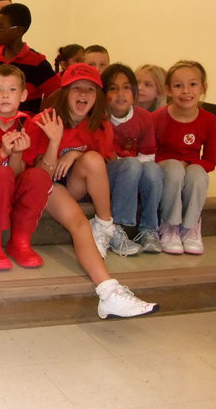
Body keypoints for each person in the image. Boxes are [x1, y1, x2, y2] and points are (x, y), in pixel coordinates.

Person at [23, 64, 159, 319]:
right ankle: (109, 291)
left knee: (94, 159)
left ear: (97, 96)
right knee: (79, 224)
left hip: (73, 184)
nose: (82, 95)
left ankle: (105, 224)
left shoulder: (98, 124)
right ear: (65, 92)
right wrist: (54, 141)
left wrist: (76, 153)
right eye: (76, 88)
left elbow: (103, 164)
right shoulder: (44, 121)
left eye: (89, 89)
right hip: (44, 185)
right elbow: (38, 176)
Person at [0, 65, 53, 269]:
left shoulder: (29, 124)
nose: (5, 95)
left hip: (8, 186)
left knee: (39, 177)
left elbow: (17, 174)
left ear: (24, 95)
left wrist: (16, 154)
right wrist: (2, 153)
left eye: (12, 90)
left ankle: (20, 242)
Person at [154, 60, 216, 254]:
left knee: (198, 173)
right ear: (168, 90)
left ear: (203, 88)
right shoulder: (157, 118)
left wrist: (189, 164)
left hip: (191, 168)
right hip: (165, 167)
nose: (185, 91)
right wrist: (174, 164)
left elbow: (210, 160)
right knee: (173, 168)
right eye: (178, 85)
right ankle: (169, 225)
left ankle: (190, 228)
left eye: (192, 84)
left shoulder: (209, 120)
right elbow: (149, 154)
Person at [101, 64, 162, 254]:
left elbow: (148, 154)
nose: (121, 94)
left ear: (134, 92)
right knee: (131, 164)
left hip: (134, 172)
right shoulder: (100, 118)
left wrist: (135, 173)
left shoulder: (143, 116)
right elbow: (106, 158)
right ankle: (117, 227)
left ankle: (148, 229)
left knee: (153, 169)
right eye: (113, 88)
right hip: (107, 175)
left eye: (127, 87)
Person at [0, 3, 61, 115]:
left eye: (1, 27)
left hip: (25, 125)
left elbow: (59, 92)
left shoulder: (37, 62)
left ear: (19, 30)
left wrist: (43, 112)